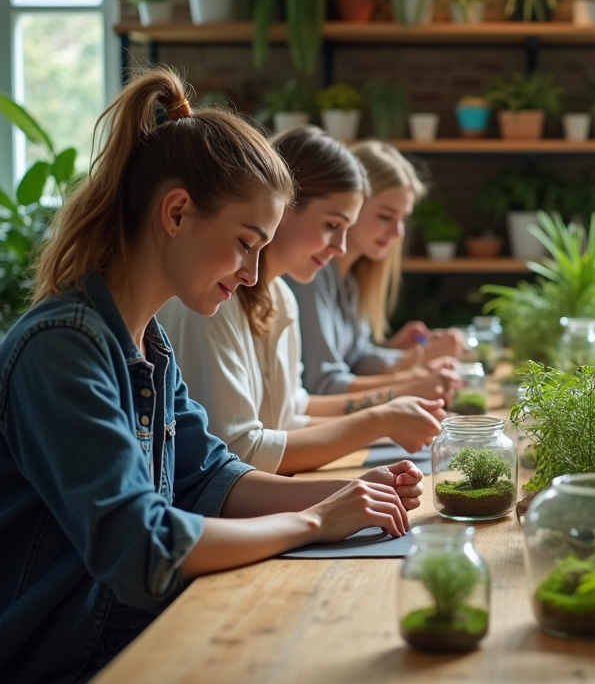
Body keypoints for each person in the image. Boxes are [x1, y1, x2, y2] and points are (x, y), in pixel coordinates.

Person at [0, 70, 425, 684]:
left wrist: (351, 497)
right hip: (72, 667)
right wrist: (313, 522)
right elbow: (142, 548)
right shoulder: (62, 348)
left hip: (136, 638)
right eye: (245, 244)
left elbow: (210, 477)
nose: (254, 274)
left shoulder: (151, 345)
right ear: (177, 213)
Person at [160, 127, 447, 475]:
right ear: (282, 207)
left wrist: (389, 413)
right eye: (331, 225)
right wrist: (379, 418)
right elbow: (240, 451)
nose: (341, 248)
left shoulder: (281, 297)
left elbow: (289, 413)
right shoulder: (213, 299)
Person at [290, 140, 463, 396]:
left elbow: (355, 360)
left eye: (403, 219)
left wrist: (400, 355)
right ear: (352, 205)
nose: (398, 232)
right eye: (385, 216)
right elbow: (322, 384)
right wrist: (413, 373)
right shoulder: (309, 274)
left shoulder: (350, 278)